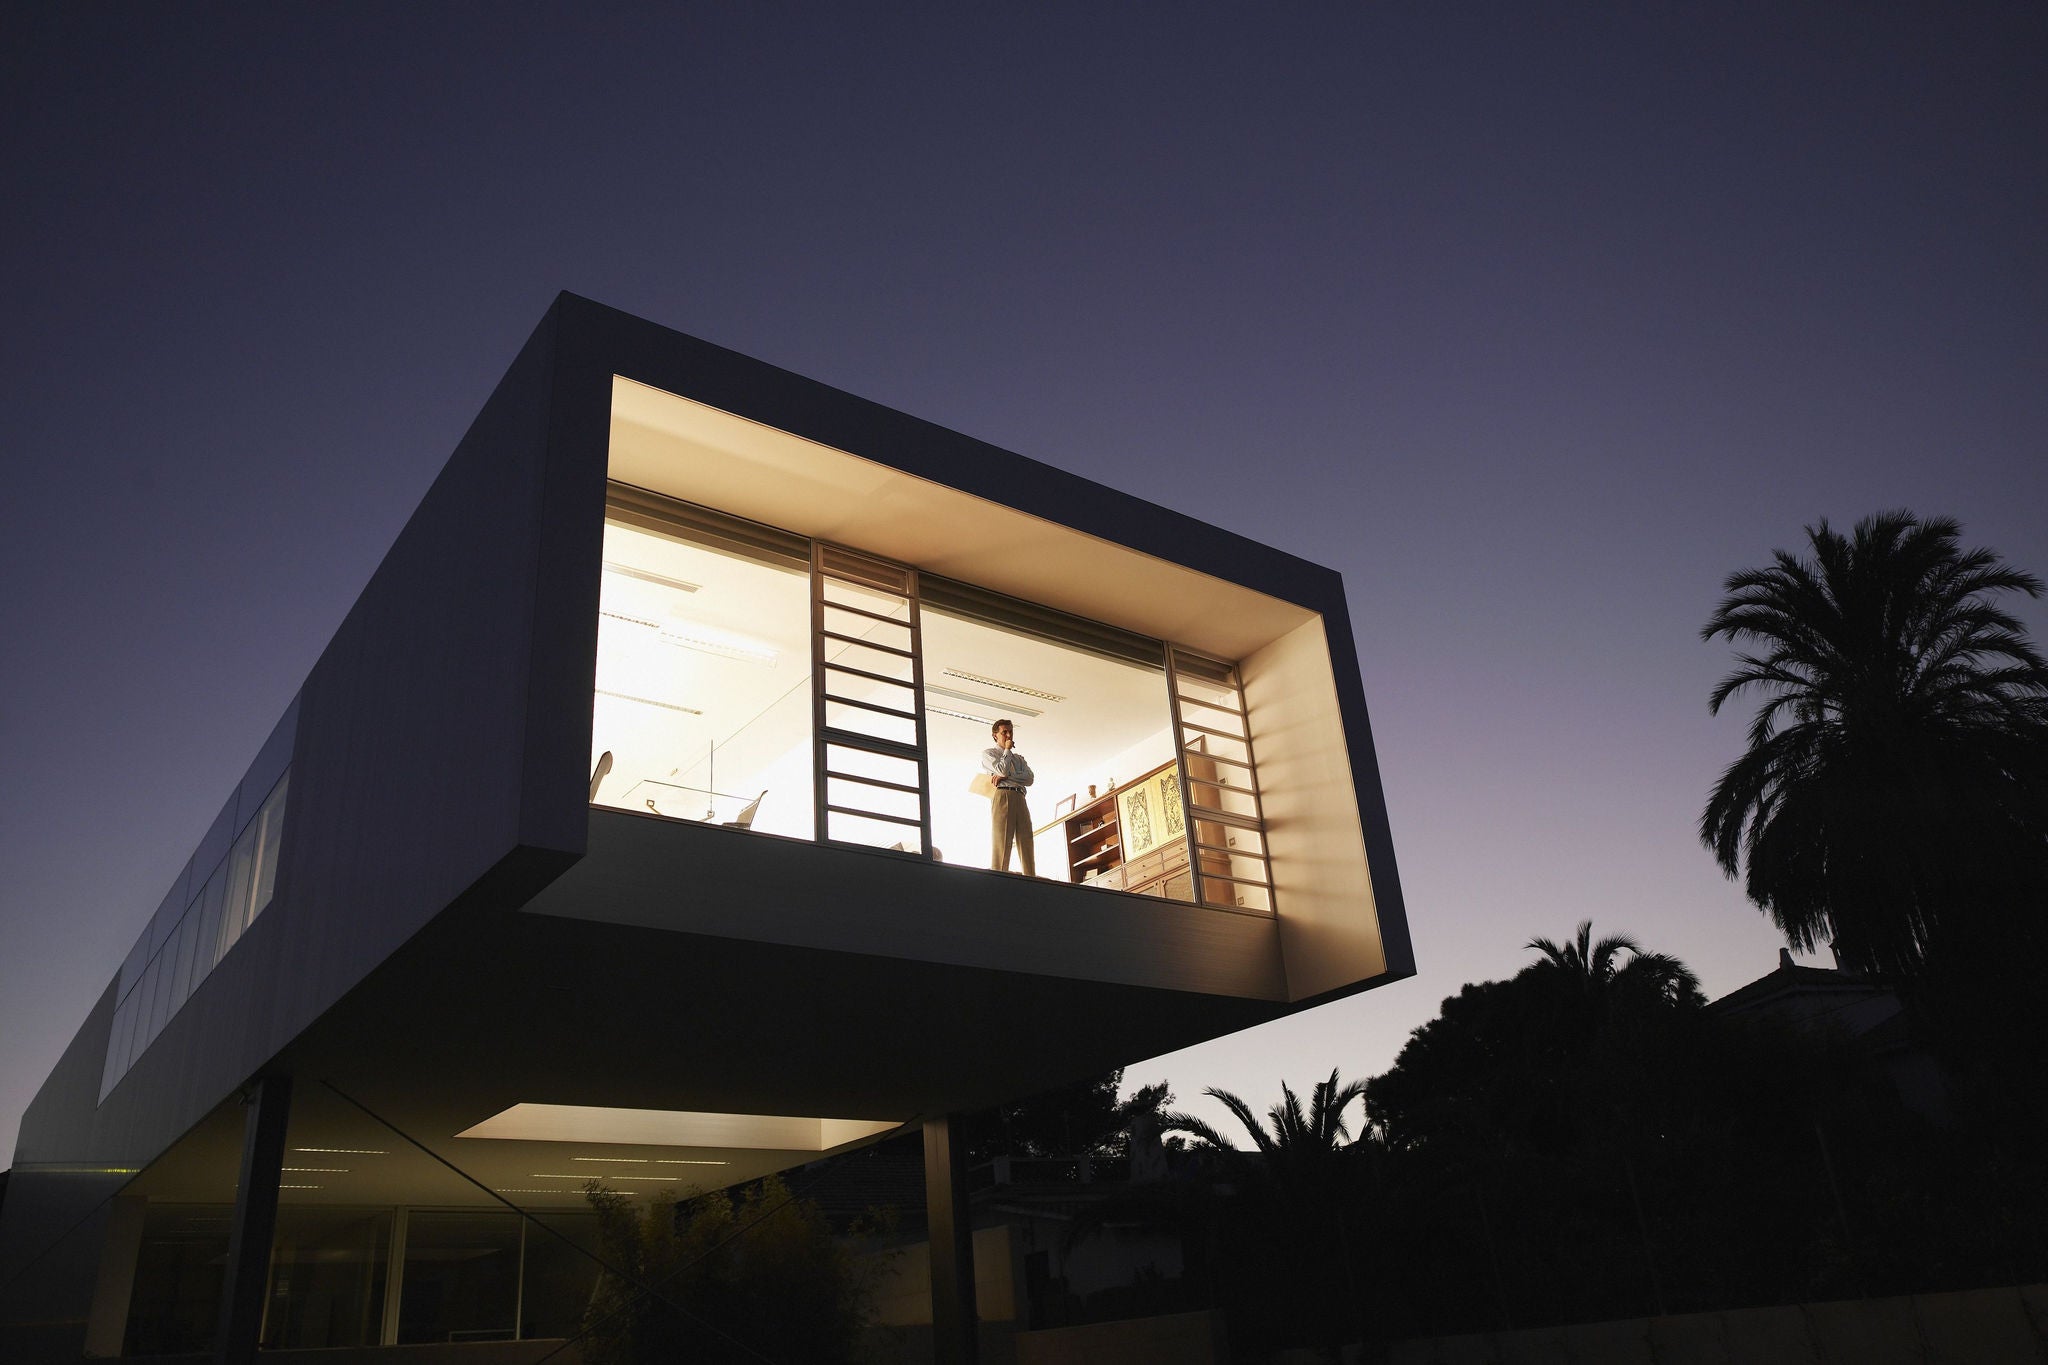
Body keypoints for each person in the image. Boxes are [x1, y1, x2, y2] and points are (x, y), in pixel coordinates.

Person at [981, 718, 1036, 875]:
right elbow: (1002, 770)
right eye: (1004, 732)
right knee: (1002, 840)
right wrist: (1006, 752)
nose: (1008, 734)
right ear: (995, 735)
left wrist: (1005, 776)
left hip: (1020, 796)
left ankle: (1030, 877)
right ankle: (999, 876)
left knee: (1026, 838)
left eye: (1010, 731)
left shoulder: (1019, 758)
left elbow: (1029, 779)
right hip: (1002, 795)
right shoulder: (989, 753)